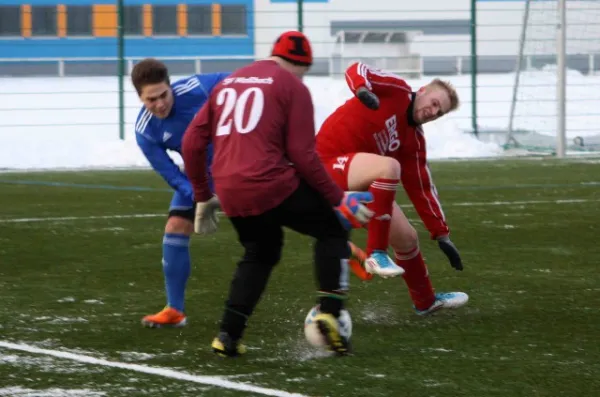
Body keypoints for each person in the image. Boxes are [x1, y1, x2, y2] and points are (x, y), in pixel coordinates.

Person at [181, 31, 373, 357]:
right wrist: (336, 197)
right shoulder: (292, 86)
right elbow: (302, 154)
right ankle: (330, 311)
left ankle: (228, 335)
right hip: (271, 181)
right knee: (333, 227)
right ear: (302, 65)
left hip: (230, 189)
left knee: (260, 252)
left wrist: (203, 194)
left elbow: (191, 143)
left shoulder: (229, 82)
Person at [316, 61, 469, 315]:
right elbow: (358, 68)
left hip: (361, 178)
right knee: (388, 167)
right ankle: (375, 253)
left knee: (407, 238)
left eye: (439, 111)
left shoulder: (415, 140)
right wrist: (363, 90)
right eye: (433, 103)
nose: (433, 111)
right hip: (326, 162)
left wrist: (442, 234)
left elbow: (422, 189)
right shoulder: (396, 89)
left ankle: (425, 302)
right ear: (421, 91)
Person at [131, 58, 228, 328]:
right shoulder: (145, 131)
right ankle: (175, 310)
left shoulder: (199, 88)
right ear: (140, 97)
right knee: (175, 226)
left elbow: (241, 83)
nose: (160, 103)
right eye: (151, 100)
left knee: (280, 215)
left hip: (237, 163)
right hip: (199, 176)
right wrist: (201, 196)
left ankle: (343, 247)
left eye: (163, 94)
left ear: (171, 86)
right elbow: (171, 174)